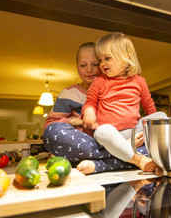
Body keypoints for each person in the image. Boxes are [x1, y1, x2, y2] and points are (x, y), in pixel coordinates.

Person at [42, 42, 148, 174]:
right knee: (52, 132)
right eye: (83, 65)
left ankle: (100, 164)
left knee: (153, 141)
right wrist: (75, 121)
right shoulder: (68, 94)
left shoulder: (118, 90)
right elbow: (49, 126)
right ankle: (127, 153)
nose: (89, 70)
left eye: (95, 64)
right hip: (86, 146)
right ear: (77, 66)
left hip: (116, 137)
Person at [81, 32, 167, 172]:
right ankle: (135, 157)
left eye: (107, 58)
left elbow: (149, 106)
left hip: (134, 132)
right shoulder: (99, 81)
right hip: (111, 133)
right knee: (102, 131)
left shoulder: (139, 81)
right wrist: (89, 111)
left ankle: (127, 147)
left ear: (125, 56)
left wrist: (154, 128)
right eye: (100, 60)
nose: (102, 64)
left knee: (162, 116)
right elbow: (90, 102)